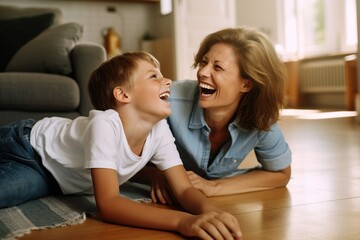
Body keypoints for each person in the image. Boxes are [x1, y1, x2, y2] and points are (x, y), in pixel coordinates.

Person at [0, 52, 242, 240]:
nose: (167, 80)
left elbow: (183, 190)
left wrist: (210, 211)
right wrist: (182, 222)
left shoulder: (159, 129)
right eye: (153, 76)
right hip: (28, 147)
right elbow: (109, 204)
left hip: (56, 180)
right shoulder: (104, 124)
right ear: (123, 95)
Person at [133, 27, 292, 204]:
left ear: (246, 84)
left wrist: (214, 187)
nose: (202, 73)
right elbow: (115, 159)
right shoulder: (166, 100)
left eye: (218, 67)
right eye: (203, 62)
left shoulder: (260, 116)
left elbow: (281, 174)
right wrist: (156, 175)